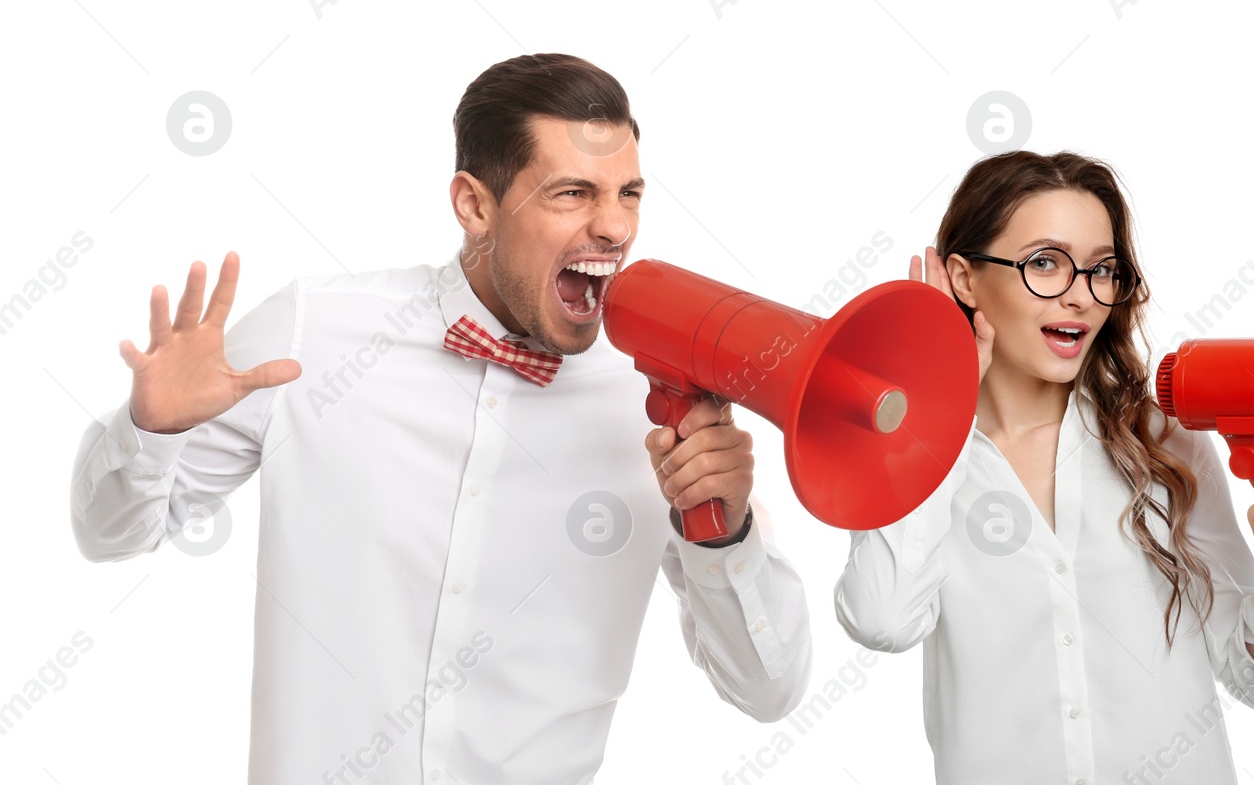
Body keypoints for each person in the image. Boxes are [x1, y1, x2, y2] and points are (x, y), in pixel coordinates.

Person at [70, 54, 813, 784]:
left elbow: (768, 691)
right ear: (473, 204)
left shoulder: (656, 394)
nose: (614, 228)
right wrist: (151, 430)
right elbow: (109, 536)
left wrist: (725, 526)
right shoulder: (314, 334)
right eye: (573, 194)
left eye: (629, 194)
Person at [833, 150, 1254, 785]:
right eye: (1045, 262)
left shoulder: (1163, 441)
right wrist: (936, 408)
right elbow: (882, 620)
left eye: (1102, 270)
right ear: (963, 278)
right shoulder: (911, 450)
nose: (1081, 296)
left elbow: (1252, 677)